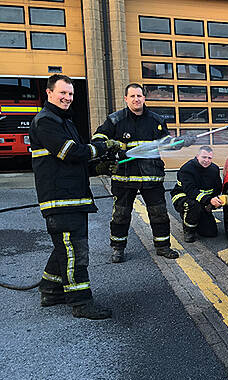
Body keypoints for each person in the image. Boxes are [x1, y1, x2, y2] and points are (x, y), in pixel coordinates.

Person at [30, 74, 121, 319]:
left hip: (72, 198)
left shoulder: (63, 121)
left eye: (70, 94)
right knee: (74, 251)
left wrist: (98, 168)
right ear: (49, 93)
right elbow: (69, 153)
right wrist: (102, 147)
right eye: (63, 93)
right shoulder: (45, 121)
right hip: (60, 199)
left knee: (65, 247)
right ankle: (81, 302)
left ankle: (50, 291)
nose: (68, 98)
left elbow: (76, 162)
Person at [92, 83, 194, 263]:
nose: (136, 99)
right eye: (132, 96)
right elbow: (99, 137)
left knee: (159, 213)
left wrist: (182, 141)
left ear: (144, 98)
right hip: (124, 176)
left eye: (139, 96)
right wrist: (108, 149)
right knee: (121, 215)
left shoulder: (156, 120)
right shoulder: (115, 120)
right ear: (125, 99)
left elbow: (166, 143)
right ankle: (118, 249)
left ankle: (163, 246)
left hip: (151, 177)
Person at [170, 146, 224, 243]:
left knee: (210, 233)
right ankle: (188, 230)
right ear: (197, 156)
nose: (206, 160)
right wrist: (209, 200)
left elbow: (217, 188)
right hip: (183, 197)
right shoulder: (187, 169)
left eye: (209, 158)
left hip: (202, 200)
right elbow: (191, 191)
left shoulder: (214, 169)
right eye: (204, 157)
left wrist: (213, 202)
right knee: (193, 205)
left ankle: (198, 218)